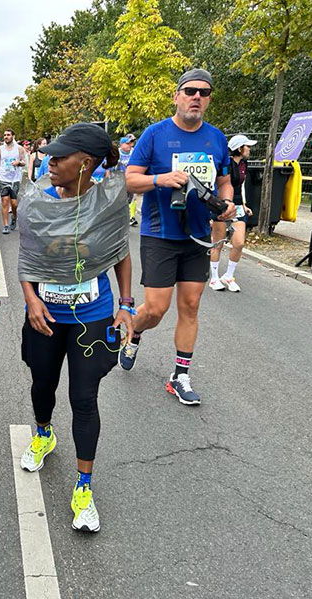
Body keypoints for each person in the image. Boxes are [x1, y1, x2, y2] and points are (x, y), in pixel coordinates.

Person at [17, 123, 132, 533]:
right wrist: (30, 300)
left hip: (94, 314)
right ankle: (44, 433)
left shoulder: (107, 204)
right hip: (45, 316)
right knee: (42, 386)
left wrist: (126, 306)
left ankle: (84, 486)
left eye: (59, 157)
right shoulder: (39, 203)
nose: (50, 163)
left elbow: (120, 252)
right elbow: (27, 259)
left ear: (85, 164)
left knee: (84, 398)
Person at [120, 68, 236, 406]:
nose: (196, 96)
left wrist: (227, 202)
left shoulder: (216, 138)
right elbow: (129, 180)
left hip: (198, 236)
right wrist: (161, 179)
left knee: (190, 305)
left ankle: (180, 375)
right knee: (156, 309)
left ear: (209, 99)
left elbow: (225, 180)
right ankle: (135, 331)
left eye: (203, 92)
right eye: (189, 91)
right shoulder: (154, 135)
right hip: (159, 233)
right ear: (177, 96)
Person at [209, 134, 257, 292]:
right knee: (218, 242)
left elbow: (241, 186)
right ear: (239, 148)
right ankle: (214, 278)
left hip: (237, 205)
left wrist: (244, 205)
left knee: (239, 243)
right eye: (247, 146)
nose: (249, 149)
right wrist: (213, 209)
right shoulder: (226, 163)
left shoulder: (244, 163)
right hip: (222, 204)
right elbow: (217, 185)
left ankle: (228, 276)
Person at [0, 129, 28, 234]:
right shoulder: (0, 149)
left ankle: (14, 217)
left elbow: (24, 163)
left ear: (13, 136)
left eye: (8, 135)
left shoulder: (19, 149)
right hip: (3, 178)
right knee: (4, 201)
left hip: (15, 179)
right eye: (5, 135)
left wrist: (18, 163)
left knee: (14, 204)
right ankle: (6, 225)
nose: (6, 137)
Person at [115, 134, 138, 226]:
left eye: (132, 143)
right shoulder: (117, 153)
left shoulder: (134, 152)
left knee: (133, 198)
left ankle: (131, 217)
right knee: (120, 200)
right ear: (121, 144)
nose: (131, 145)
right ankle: (119, 217)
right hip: (118, 181)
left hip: (131, 180)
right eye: (128, 143)